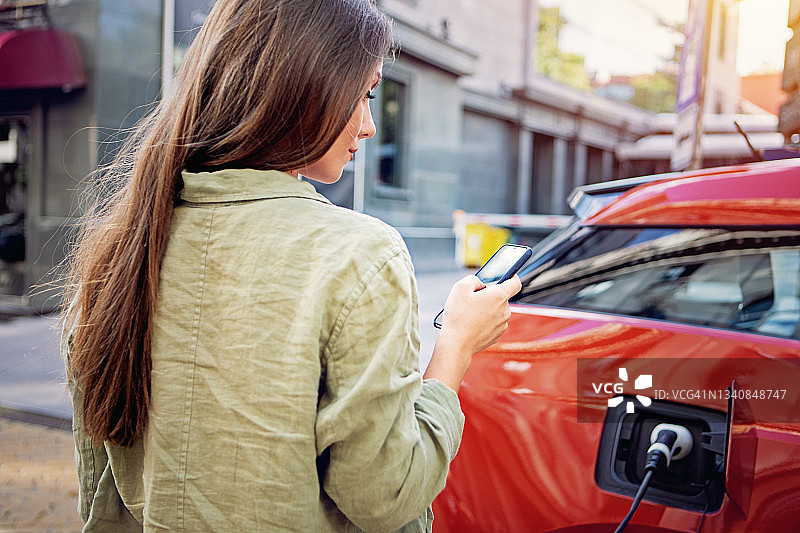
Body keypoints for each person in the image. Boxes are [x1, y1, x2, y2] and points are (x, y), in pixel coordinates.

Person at [61, 0, 521, 531]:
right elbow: (386, 495)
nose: (370, 126)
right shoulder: (360, 254)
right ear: (302, 86)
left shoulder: (122, 247)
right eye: (365, 94)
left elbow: (98, 494)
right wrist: (456, 346)